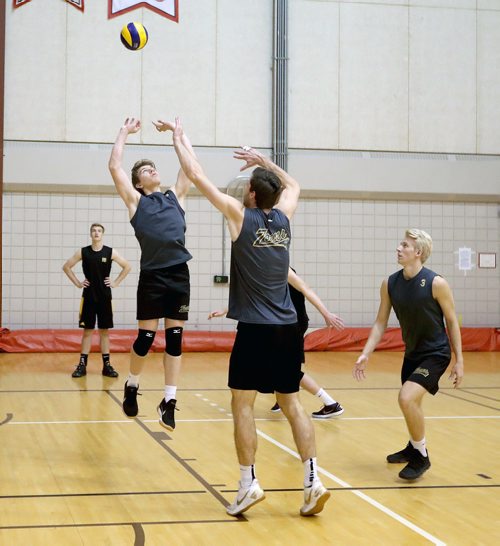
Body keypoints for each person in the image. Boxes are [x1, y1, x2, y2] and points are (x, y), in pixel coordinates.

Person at [170, 117, 331, 517]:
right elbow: (295, 186)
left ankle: (247, 485)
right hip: (288, 329)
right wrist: (266, 160)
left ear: (252, 194)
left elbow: (194, 173)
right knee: (292, 404)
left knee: (242, 405)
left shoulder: (240, 217)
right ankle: (312, 482)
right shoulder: (285, 218)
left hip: (256, 331)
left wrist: (179, 139)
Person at [353, 229, 464, 480]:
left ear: (418, 252)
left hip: (436, 353)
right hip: (412, 353)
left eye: (405, 245)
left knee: (406, 398)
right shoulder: (390, 283)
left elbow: (452, 322)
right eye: (400, 244)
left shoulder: (436, 283)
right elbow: (381, 322)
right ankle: (412, 446)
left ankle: (421, 456)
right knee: (412, 403)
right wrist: (365, 353)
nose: (399, 248)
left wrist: (460, 360)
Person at [108, 117, 195, 431]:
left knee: (175, 340)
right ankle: (132, 384)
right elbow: (115, 167)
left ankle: (168, 401)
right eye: (145, 170)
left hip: (179, 275)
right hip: (153, 277)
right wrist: (123, 132)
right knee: (145, 339)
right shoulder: (136, 203)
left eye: (153, 167)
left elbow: (191, 166)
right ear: (138, 184)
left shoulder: (176, 197)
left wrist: (178, 136)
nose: (152, 170)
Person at [208, 267, 346, 418]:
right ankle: (283, 395)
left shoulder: (281, 267)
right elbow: (253, 298)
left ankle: (330, 403)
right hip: (283, 324)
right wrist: (225, 310)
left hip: (291, 325)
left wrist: (326, 313)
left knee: (289, 371)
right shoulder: (265, 268)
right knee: (280, 369)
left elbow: (306, 289)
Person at [63, 223, 130, 378]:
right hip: (88, 296)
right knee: (87, 331)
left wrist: (116, 282)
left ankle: (107, 366)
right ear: (90, 234)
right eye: (93, 230)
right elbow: (67, 267)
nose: (96, 233)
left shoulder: (110, 252)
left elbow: (127, 266)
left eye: (99, 231)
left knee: (104, 332)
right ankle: (82, 365)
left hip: (105, 296)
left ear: (103, 234)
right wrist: (78, 283)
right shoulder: (83, 252)